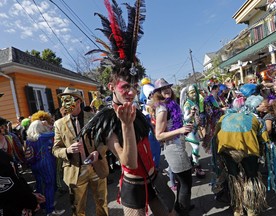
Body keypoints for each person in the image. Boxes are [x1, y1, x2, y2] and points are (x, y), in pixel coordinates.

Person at [82, 0, 175, 215]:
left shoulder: (135, 110)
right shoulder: (107, 119)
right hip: (133, 185)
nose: (131, 92)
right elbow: (129, 162)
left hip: (154, 177)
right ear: (111, 86)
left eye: (134, 86)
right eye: (125, 87)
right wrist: (126, 125)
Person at [52, 87, 109, 216]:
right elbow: (55, 149)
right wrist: (67, 150)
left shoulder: (94, 118)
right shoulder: (59, 124)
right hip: (75, 171)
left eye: (68, 100)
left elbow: (104, 140)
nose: (64, 104)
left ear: (78, 101)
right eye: (63, 100)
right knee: (77, 208)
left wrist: (99, 152)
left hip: (96, 167)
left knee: (102, 203)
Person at [214, 95, 273, 216]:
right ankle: (251, 208)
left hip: (227, 151)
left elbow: (215, 137)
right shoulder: (256, 118)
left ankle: (238, 208)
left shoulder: (225, 116)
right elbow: (264, 140)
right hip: (247, 151)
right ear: (255, 107)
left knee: (234, 177)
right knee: (251, 177)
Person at [152, 78, 194, 215]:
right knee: (186, 182)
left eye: (168, 87)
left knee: (183, 182)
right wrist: (180, 130)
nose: (166, 90)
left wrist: (185, 124)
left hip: (178, 146)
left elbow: (175, 123)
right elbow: (158, 135)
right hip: (173, 149)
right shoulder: (162, 108)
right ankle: (182, 211)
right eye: (162, 89)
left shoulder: (171, 105)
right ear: (157, 92)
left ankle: (182, 206)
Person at [26, 117, 65, 216]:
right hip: (46, 164)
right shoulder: (42, 137)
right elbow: (56, 131)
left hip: (35, 165)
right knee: (50, 185)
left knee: (40, 185)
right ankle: (50, 210)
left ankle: (44, 205)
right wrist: (48, 125)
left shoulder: (29, 139)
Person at [181, 84, 205, 178]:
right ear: (188, 94)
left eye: (195, 91)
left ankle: (193, 161)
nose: (194, 94)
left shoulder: (194, 102)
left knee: (196, 148)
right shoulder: (187, 104)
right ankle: (196, 166)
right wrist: (191, 114)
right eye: (191, 92)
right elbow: (186, 118)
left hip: (195, 128)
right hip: (188, 128)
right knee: (196, 147)